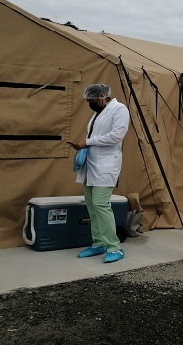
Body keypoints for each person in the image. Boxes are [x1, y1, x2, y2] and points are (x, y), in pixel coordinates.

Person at [73, 84, 130, 263]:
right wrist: (84, 146)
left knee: (100, 203)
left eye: (91, 101)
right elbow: (96, 137)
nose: (90, 104)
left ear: (101, 97)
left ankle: (115, 247)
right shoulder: (97, 114)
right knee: (91, 205)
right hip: (91, 165)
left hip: (106, 165)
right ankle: (98, 243)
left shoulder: (119, 110)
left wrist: (88, 141)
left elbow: (116, 136)